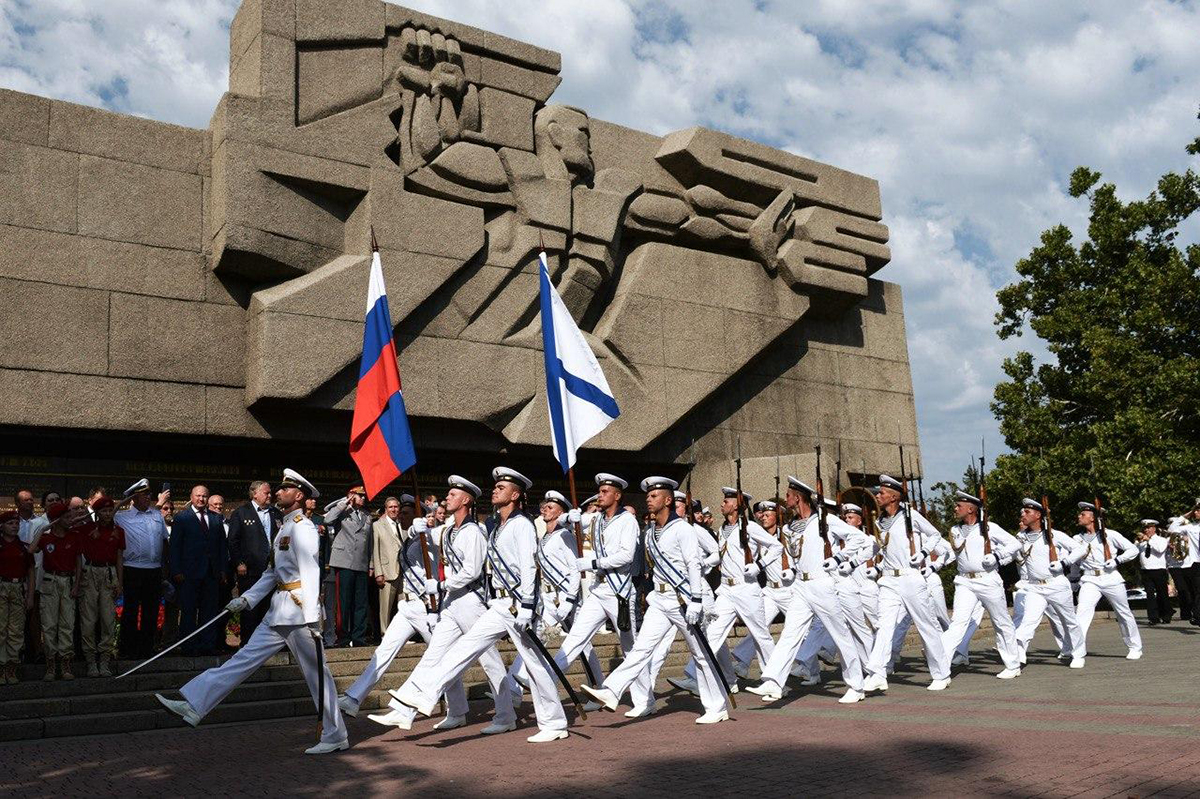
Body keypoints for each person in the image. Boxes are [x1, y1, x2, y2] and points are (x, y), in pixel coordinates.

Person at [155, 469, 347, 755]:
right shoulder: (284, 527)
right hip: (278, 610)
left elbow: (310, 571)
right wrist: (246, 599)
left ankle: (335, 734)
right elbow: (272, 573)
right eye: (279, 489)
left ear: (299, 495)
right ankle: (194, 704)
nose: (279, 493)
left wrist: (313, 616)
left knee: (318, 675)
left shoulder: (303, 527)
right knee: (241, 659)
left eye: (285, 489)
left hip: (297, 614)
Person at [390, 468, 569, 743]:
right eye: (495, 486)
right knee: (466, 646)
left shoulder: (521, 525)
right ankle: (424, 693)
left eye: (502, 487)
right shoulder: (496, 524)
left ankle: (555, 722)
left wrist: (528, 606)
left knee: (534, 665)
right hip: (498, 604)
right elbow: (452, 534)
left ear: (515, 494)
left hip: (518, 605)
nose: (495, 490)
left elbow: (528, 566)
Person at [368, 475, 517, 734]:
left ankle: (506, 714)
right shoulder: (449, 530)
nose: (446, 498)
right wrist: (416, 528)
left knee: (489, 661)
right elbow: (427, 535)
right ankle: (404, 711)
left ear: (466, 500)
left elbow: (472, 571)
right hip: (452, 604)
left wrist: (441, 585)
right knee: (433, 654)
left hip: (471, 601)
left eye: (452, 495)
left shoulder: (474, 532)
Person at [581, 477, 730, 725]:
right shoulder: (650, 532)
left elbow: (693, 564)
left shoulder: (683, 528)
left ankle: (717, 706)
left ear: (668, 500)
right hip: (660, 600)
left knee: (701, 654)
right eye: (648, 496)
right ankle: (611, 691)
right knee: (641, 649)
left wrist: (695, 599)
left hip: (682, 598)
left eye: (654, 496)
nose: (648, 500)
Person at [747, 477, 867, 704]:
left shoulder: (825, 519)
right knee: (790, 633)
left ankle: (856, 685)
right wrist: (791, 570)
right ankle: (773, 681)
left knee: (840, 635)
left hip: (822, 584)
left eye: (788, 495)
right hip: (801, 587)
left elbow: (859, 539)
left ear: (798, 497)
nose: (785, 499)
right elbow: (795, 555)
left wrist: (839, 557)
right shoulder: (792, 526)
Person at [552, 473, 654, 716]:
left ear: (617, 496)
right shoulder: (597, 518)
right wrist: (569, 516)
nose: (601, 494)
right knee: (576, 636)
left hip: (619, 591)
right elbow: (564, 523)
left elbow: (626, 556)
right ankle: (549, 675)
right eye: (600, 490)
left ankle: (645, 700)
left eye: (606, 491)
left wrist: (592, 563)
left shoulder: (626, 521)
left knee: (630, 647)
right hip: (598, 591)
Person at [677, 487, 779, 694]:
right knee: (713, 633)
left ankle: (775, 681)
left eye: (726, 501)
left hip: (747, 589)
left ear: (737, 505)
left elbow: (777, 547)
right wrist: (705, 564)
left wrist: (759, 565)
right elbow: (720, 555)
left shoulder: (749, 527)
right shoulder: (723, 530)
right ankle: (698, 678)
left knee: (760, 636)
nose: (722, 504)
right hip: (725, 590)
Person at [338, 496, 433, 719]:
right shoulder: (405, 534)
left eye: (407, 513)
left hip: (424, 607)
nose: (401, 516)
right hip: (407, 606)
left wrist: (425, 530)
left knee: (440, 656)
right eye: (401, 513)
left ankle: (457, 707)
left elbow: (432, 550)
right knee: (383, 651)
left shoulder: (425, 537)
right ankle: (354, 698)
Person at [507, 491, 603, 701]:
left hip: (565, 599)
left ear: (561, 512)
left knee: (579, 645)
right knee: (538, 640)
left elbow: (574, 569)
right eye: (544, 506)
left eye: (551, 507)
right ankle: (513, 688)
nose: (545, 509)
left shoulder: (565, 535)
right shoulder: (544, 538)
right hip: (549, 600)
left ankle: (599, 688)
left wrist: (569, 599)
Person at [863, 475, 951, 692]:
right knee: (884, 626)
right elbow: (877, 547)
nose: (878, 496)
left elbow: (936, 535)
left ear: (893, 497)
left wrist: (922, 552)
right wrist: (853, 561)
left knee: (926, 625)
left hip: (911, 577)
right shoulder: (879, 520)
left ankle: (941, 673)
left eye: (882, 493)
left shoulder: (911, 516)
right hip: (888, 580)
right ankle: (877, 673)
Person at [939, 491, 1022, 679]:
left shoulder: (989, 527)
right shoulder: (955, 530)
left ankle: (1013, 665)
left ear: (971, 509)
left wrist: (997, 556)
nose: (955, 508)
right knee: (958, 622)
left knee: (1001, 622)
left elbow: (1014, 543)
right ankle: (940, 660)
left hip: (987, 579)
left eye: (958, 505)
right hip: (964, 581)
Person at [1010, 499, 1085, 668]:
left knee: (1069, 621)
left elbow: (1080, 549)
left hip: (1056, 584)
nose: (1023, 514)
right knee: (1028, 621)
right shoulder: (1020, 537)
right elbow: (1011, 552)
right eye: (1022, 512)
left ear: (1038, 515)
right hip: (1035, 587)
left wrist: (1064, 563)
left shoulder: (1054, 535)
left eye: (1027, 512)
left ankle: (1078, 653)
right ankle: (1018, 655)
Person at [1073, 501, 1142, 659]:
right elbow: (1075, 560)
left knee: (1123, 612)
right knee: (1081, 613)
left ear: (1092, 518)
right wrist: (1074, 579)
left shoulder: (1110, 534)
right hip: (1089, 578)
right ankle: (1077, 650)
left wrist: (1118, 560)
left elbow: (1133, 549)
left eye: (1083, 514)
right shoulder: (1077, 538)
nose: (1079, 516)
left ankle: (1134, 646)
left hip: (1110, 577)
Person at [115, 480, 172, 659]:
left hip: (153, 570)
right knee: (130, 611)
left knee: (151, 611)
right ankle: (128, 649)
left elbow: (164, 542)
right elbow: (107, 514)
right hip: (132, 568)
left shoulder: (156, 516)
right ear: (133, 497)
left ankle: (147, 648)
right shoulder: (122, 517)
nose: (148, 497)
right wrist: (125, 501)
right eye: (143, 495)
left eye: (149, 494)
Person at [169, 486, 228, 656]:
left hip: (211, 573)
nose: (201, 499)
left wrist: (223, 570)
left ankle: (207, 645)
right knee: (188, 611)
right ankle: (188, 646)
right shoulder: (182, 518)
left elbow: (222, 547)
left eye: (204, 496)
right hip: (188, 574)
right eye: (198, 496)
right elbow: (175, 547)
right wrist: (176, 570)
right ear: (191, 497)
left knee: (209, 611)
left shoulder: (216, 518)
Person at [30, 502, 84, 681]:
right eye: (67, 517)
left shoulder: (74, 536)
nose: (70, 520)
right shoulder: (46, 538)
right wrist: (45, 528)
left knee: (67, 624)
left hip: (67, 581)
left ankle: (66, 663)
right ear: (57, 520)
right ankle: (51, 665)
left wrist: (77, 584)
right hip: (50, 581)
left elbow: (78, 562)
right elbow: (31, 550)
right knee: (49, 624)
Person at [226, 481, 282, 647]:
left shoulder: (276, 513)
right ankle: (248, 644)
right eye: (266, 493)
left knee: (269, 608)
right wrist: (239, 562)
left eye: (270, 493)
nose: (270, 496)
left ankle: (266, 645)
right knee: (250, 609)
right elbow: (233, 540)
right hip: (250, 570)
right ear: (254, 494)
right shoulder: (241, 513)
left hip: (272, 570)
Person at [79, 496, 124, 677]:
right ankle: (91, 660)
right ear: (96, 513)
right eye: (103, 511)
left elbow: (120, 557)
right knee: (88, 619)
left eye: (109, 510)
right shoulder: (87, 529)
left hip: (109, 572)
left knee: (108, 618)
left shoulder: (118, 531)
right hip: (90, 572)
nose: (107, 514)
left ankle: (104, 659)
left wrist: (120, 582)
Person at [323, 486, 373, 647]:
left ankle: (359, 636)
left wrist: (371, 564)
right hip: (344, 561)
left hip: (361, 563)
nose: (363, 499)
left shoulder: (367, 516)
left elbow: (369, 543)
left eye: (364, 496)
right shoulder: (342, 511)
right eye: (360, 496)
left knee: (360, 603)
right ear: (351, 496)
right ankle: (343, 636)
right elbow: (327, 520)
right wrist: (344, 503)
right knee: (344, 602)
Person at [0, 510, 35, 684]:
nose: (14, 526)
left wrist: (30, 596)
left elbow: (30, 571)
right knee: (0, 629)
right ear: (2, 526)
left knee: (15, 630)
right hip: (2, 587)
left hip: (18, 587)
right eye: (10, 523)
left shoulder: (24, 547)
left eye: (16, 523)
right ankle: (0, 667)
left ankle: (11, 667)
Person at [371, 496, 412, 631]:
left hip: (403, 572)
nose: (394, 509)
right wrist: (378, 573)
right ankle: (385, 634)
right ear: (386, 509)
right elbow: (375, 550)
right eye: (391, 507)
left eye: (396, 507)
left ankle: (401, 634)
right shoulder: (377, 525)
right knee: (385, 608)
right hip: (387, 571)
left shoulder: (403, 524)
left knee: (403, 607)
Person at [1166, 502, 1200, 625]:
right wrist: (1189, 513)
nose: (1195, 512)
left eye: (1198, 510)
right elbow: (1172, 528)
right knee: (1197, 591)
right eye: (1195, 511)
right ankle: (1197, 615)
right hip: (1197, 563)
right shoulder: (1192, 528)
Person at [1137, 519, 1171, 625]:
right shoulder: (1141, 542)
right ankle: (1153, 618)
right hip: (1146, 570)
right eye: (1145, 528)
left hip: (1158, 570)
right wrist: (1138, 542)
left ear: (1154, 528)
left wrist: (1149, 540)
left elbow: (1160, 550)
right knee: (1150, 595)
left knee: (1162, 594)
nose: (1146, 530)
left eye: (1148, 528)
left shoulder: (1161, 540)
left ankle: (1166, 615)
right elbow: (1134, 552)